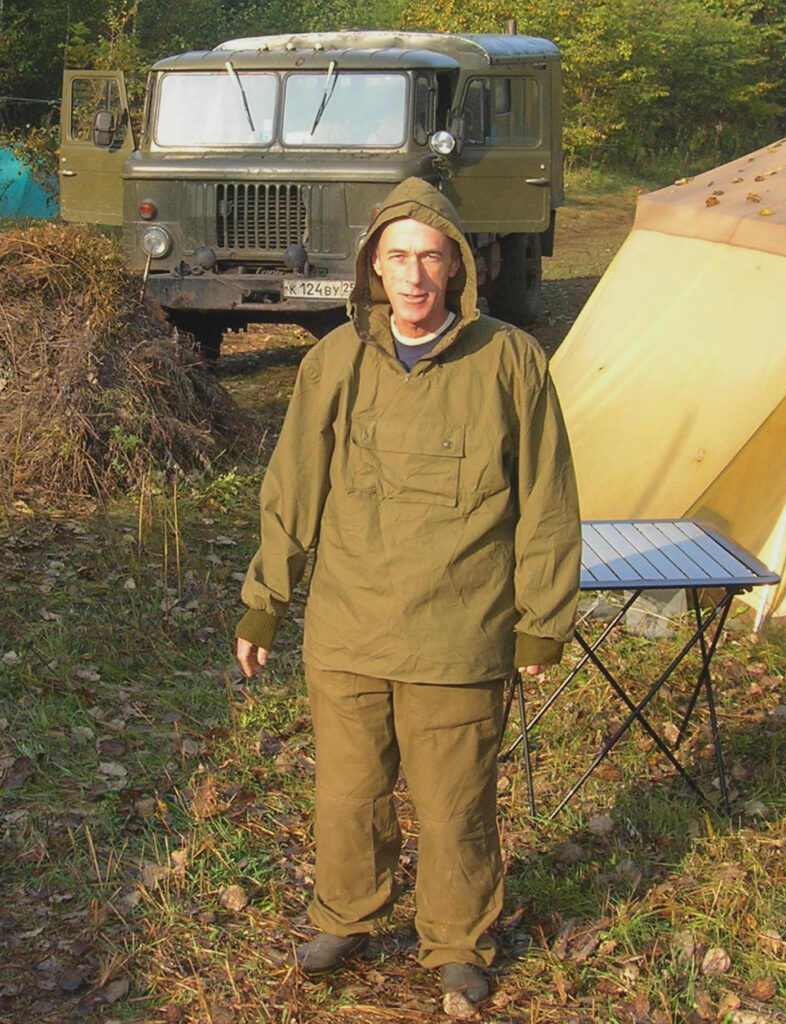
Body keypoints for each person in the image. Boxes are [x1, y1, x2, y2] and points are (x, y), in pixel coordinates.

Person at [235, 177, 581, 1015]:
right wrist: (265, 602)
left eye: (430, 257)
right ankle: (345, 918)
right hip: (349, 628)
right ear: (373, 269)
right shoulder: (334, 361)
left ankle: (457, 942)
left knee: (456, 804)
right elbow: (293, 488)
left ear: (456, 266)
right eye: (398, 258)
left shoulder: (508, 361)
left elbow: (547, 498)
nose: (415, 275)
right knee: (347, 796)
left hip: (460, 631)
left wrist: (540, 621)